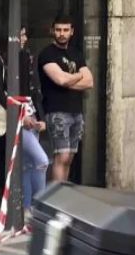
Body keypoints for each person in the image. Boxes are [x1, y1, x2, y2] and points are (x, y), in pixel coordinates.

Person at [0, 27, 50, 214]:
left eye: (26, 34)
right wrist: (18, 114)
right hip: (14, 117)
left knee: (27, 164)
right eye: (21, 34)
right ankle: (37, 207)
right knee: (41, 161)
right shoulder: (0, 59)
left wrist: (40, 117)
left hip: (30, 114)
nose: (24, 38)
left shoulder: (25, 56)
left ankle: (26, 209)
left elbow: (33, 89)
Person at [37, 14, 93, 182]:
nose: (62, 33)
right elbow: (60, 79)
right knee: (61, 156)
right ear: (53, 31)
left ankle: (60, 195)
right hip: (57, 111)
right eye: (58, 30)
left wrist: (68, 80)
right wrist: (76, 76)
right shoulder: (47, 54)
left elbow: (89, 81)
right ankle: (55, 200)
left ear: (72, 31)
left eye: (65, 30)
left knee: (69, 158)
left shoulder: (76, 53)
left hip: (76, 111)